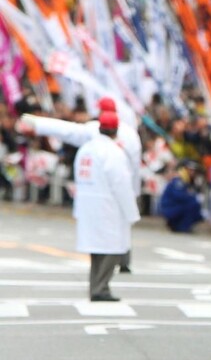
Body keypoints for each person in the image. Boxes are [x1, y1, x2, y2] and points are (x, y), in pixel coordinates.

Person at [17, 96, 142, 273]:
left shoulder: (95, 131)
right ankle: (123, 260)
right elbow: (136, 167)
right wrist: (134, 191)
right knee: (121, 224)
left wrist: (38, 124)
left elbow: (67, 130)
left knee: (106, 227)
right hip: (124, 182)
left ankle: (112, 264)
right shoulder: (131, 133)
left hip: (104, 185)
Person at [71, 112, 140, 301]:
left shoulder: (86, 148)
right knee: (113, 248)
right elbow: (121, 184)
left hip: (87, 203)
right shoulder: (113, 151)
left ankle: (97, 286)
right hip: (107, 205)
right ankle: (101, 287)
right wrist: (131, 212)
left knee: (97, 249)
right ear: (116, 130)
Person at [159, 159, 206, 233]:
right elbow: (179, 196)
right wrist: (194, 198)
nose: (192, 173)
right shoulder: (178, 181)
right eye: (190, 170)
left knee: (195, 207)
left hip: (177, 207)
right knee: (193, 204)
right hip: (170, 208)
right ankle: (182, 227)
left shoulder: (189, 182)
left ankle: (179, 225)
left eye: (193, 171)